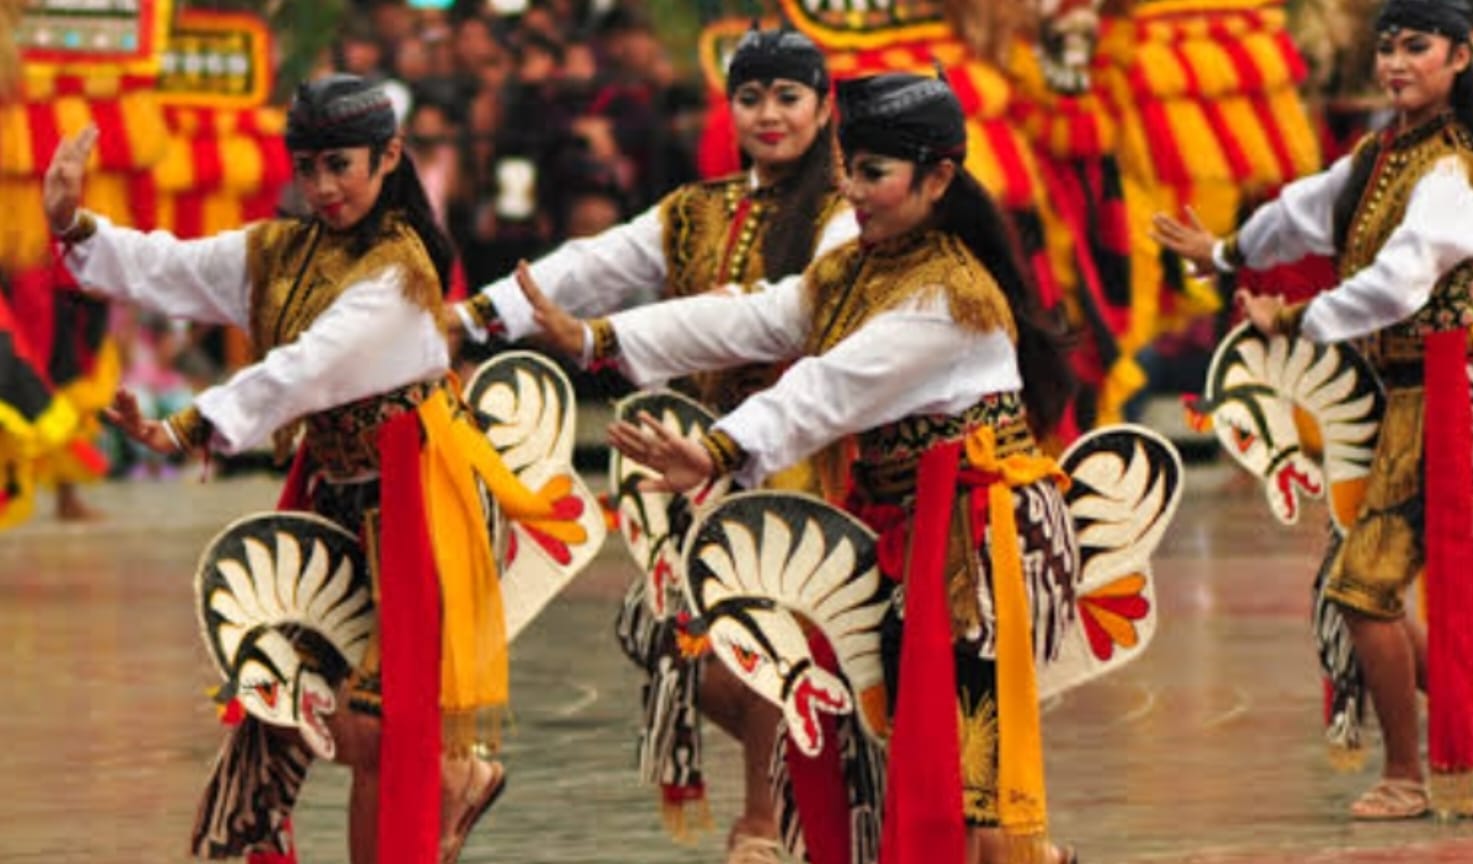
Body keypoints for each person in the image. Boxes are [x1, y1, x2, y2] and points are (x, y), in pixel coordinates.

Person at [518, 70, 1079, 864]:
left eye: (874, 174)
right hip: (901, 529)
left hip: (974, 548)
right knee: (899, 754)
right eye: (850, 169)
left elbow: (830, 388)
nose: (852, 191)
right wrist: (598, 340)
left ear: (940, 178)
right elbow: (755, 317)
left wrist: (718, 448)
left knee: (966, 789)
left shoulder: (947, 295)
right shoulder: (863, 264)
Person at [43, 75, 567, 864]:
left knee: (371, 727)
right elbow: (178, 267)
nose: (321, 188)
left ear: (389, 157)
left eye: (341, 166)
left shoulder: (400, 270)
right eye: (308, 167)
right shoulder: (285, 250)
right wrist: (74, 226)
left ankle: (444, 783)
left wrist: (186, 426)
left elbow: (304, 369)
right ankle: (386, 800)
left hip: (421, 495)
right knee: (275, 685)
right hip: (337, 492)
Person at [456, 26, 859, 863]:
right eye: (751, 98)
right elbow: (588, 265)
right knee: (682, 646)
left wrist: (605, 338)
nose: (769, 114)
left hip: (812, 456)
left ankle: (762, 824)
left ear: (824, 109)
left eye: (789, 97)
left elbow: (781, 313)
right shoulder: (696, 210)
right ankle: (807, 800)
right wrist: (472, 318)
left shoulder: (846, 214)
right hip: (706, 464)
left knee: (767, 639)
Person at [1153, 0, 1473, 821]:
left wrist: (1294, 319)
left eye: (1418, 47)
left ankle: (1409, 773)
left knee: (1362, 588)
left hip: (1444, 385)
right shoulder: (1382, 152)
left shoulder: (1453, 169)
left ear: (1461, 59)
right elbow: (1303, 208)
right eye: (1388, 47)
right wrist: (1226, 254)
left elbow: (1400, 280)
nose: (1397, 62)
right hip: (1397, 388)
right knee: (1359, 586)